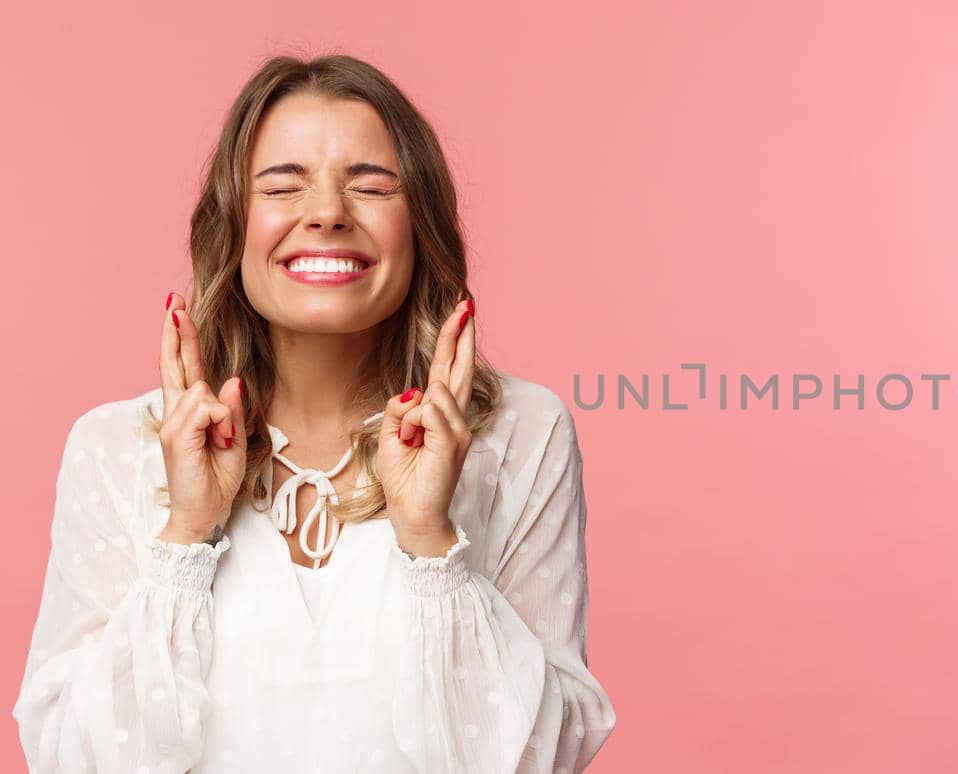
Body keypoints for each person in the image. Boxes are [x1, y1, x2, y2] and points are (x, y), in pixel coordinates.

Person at [10, 54, 617, 773]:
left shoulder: (521, 433)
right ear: (233, 224)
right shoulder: (114, 447)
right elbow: (68, 757)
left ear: (418, 223)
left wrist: (428, 540)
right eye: (282, 185)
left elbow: (544, 760)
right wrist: (186, 534)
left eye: (371, 185)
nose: (327, 212)